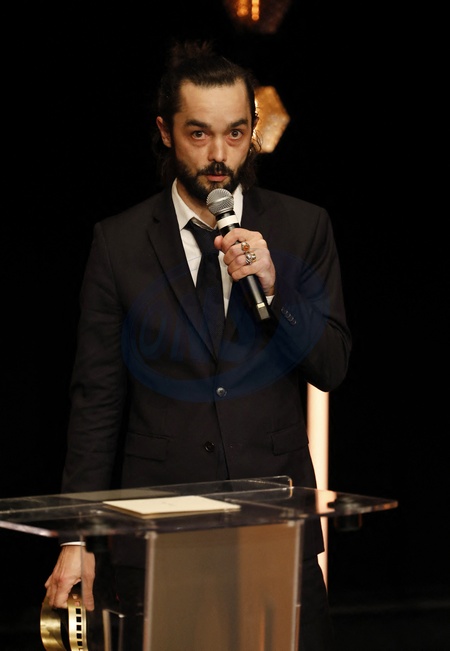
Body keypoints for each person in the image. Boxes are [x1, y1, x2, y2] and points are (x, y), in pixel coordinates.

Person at [44, 39, 351, 650]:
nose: (218, 156)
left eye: (235, 134)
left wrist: (275, 287)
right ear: (165, 132)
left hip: (275, 527)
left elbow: (332, 366)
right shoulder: (119, 242)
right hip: (160, 532)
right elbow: (96, 401)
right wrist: (77, 538)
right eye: (199, 134)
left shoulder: (302, 225)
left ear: (253, 131)